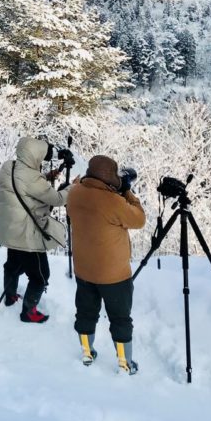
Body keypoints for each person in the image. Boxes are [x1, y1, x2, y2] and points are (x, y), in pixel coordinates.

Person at [66, 155, 146, 374]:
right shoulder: (113, 201)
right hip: (114, 275)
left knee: (85, 312)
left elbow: (80, 186)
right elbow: (139, 219)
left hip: (84, 270)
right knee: (120, 318)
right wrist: (127, 191)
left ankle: (87, 352)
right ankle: (124, 362)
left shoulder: (74, 194)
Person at [0, 137, 68, 323]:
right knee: (40, 276)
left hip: (11, 230)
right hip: (28, 236)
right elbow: (58, 199)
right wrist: (73, 187)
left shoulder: (8, 167)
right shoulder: (32, 178)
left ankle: (10, 296)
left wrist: (46, 178)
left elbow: (24, 184)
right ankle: (29, 311)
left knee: (13, 265)